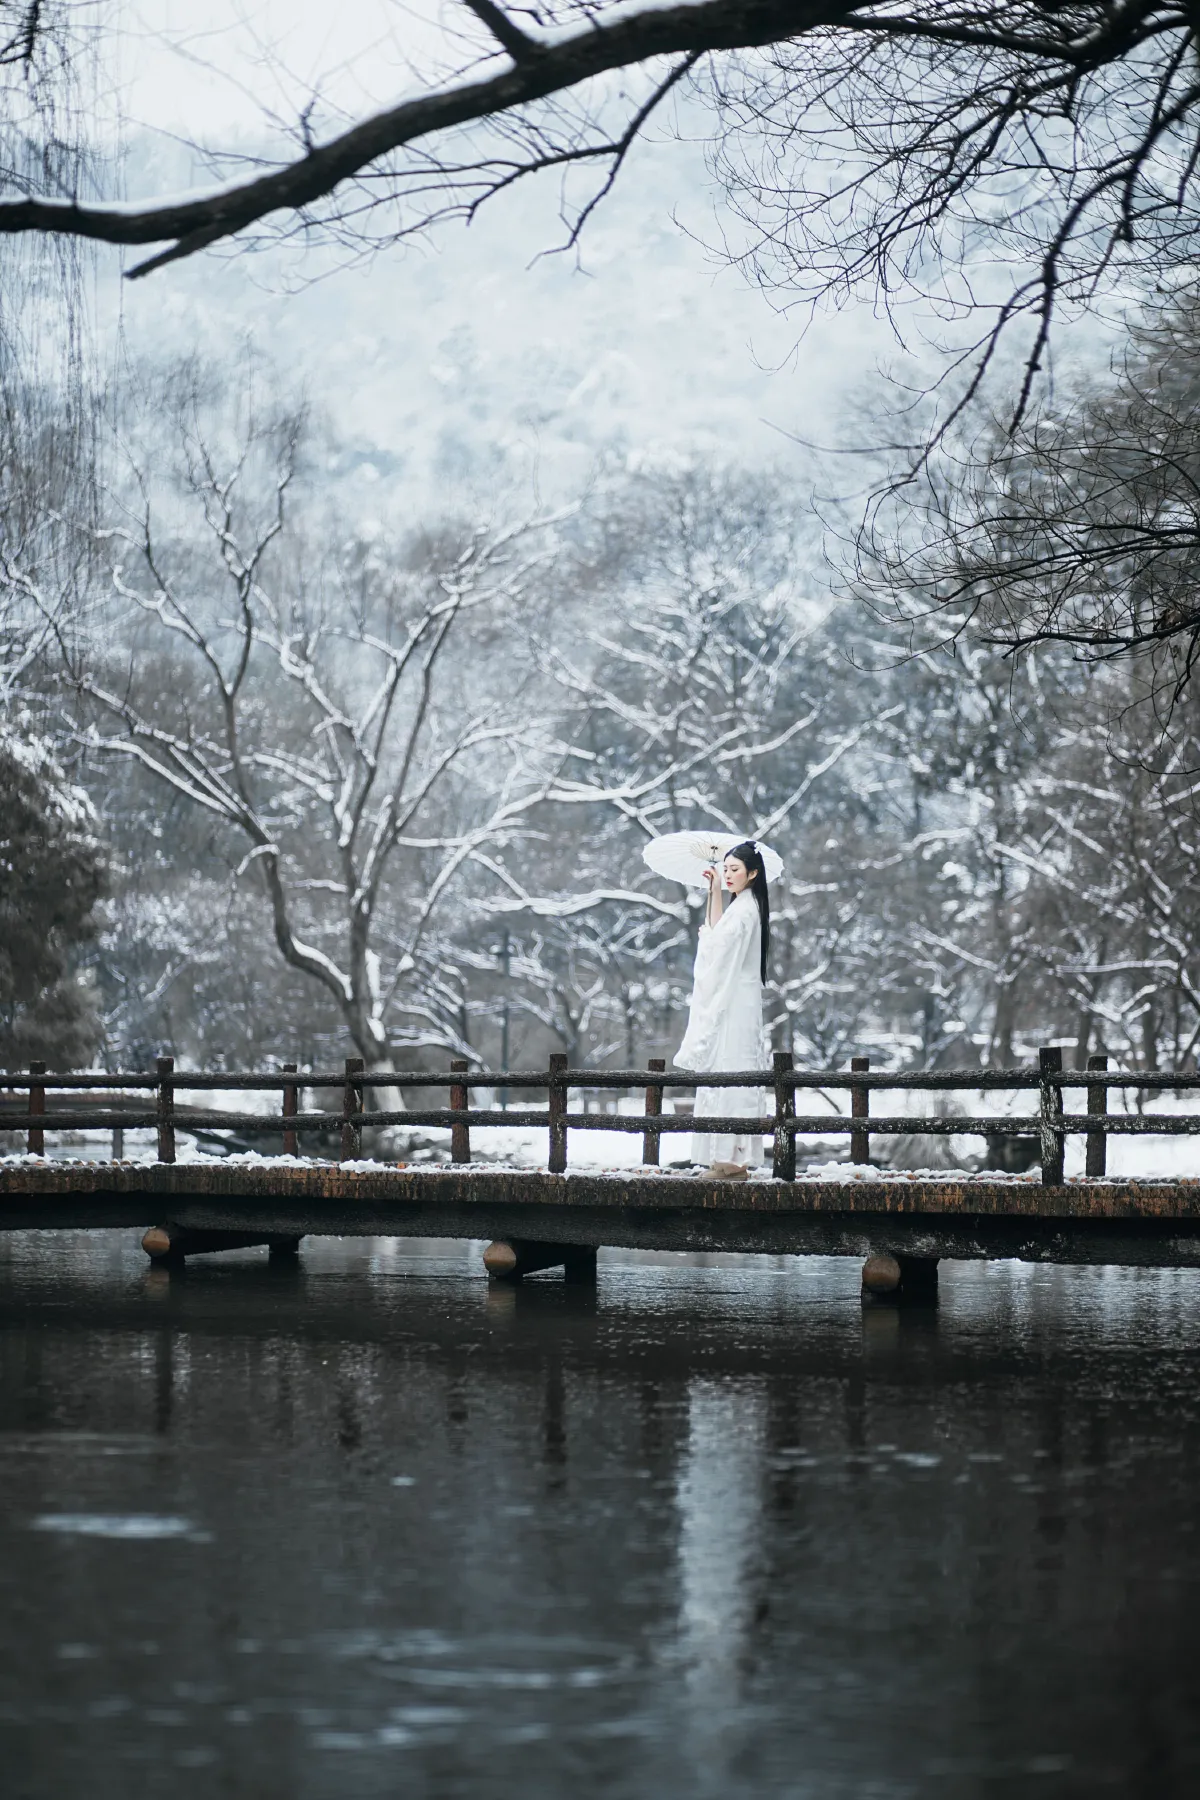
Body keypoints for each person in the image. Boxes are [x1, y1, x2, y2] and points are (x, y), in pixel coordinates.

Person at [673, 840, 770, 1175]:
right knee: (726, 1071)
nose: (728, 875)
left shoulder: (745, 910)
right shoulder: (743, 905)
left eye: (734, 870)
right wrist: (714, 890)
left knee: (731, 1073)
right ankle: (727, 1158)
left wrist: (709, 945)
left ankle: (731, 1159)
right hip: (737, 1002)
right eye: (725, 869)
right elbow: (717, 936)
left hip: (734, 1003)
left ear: (752, 873)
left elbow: (716, 950)